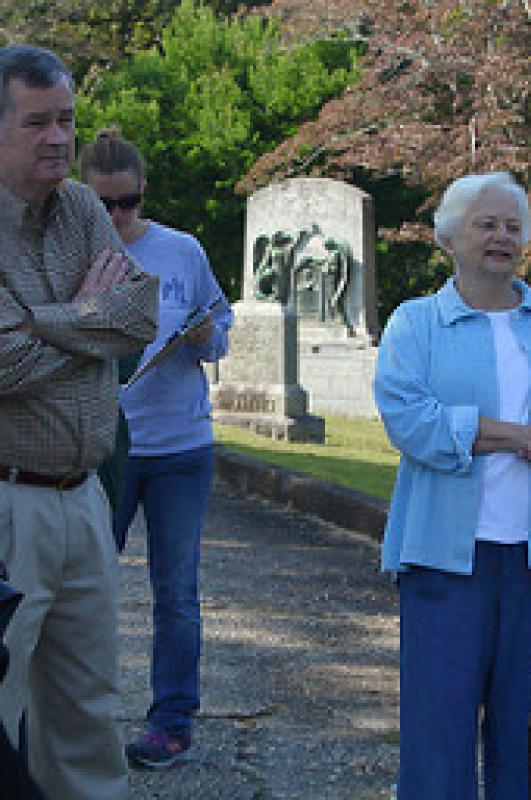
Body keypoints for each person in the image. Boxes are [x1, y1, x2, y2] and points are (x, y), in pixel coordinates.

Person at [373, 171, 531, 800]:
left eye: (513, 225)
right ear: (449, 238)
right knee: (437, 733)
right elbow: (409, 419)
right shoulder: (415, 324)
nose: (502, 237)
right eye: (487, 224)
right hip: (445, 560)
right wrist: (517, 437)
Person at [0, 44, 159, 800]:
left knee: (89, 720)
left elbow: (140, 316)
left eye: (66, 119)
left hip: (84, 499)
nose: (59, 138)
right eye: (37, 123)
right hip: (5, 508)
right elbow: (0, 365)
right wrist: (90, 320)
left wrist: (42, 322)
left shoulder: (87, 209)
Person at [80, 128, 232, 769]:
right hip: (101, 445)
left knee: (176, 593)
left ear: (143, 195)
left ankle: (172, 722)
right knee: (83, 586)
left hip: (179, 446)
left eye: (129, 202)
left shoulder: (182, 250)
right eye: (104, 204)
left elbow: (219, 329)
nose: (117, 217)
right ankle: (77, 719)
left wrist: (205, 334)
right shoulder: (70, 250)